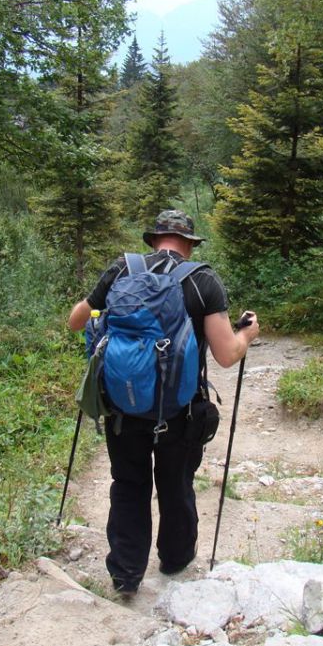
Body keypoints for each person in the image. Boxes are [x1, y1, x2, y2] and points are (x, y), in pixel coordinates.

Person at [67, 209, 260, 595]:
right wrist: (248, 334)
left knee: (127, 484)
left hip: (124, 407)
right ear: (189, 244)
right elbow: (225, 354)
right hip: (180, 411)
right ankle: (174, 561)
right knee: (176, 485)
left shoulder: (122, 269)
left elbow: (76, 321)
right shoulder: (202, 279)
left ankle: (125, 574)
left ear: (154, 239)